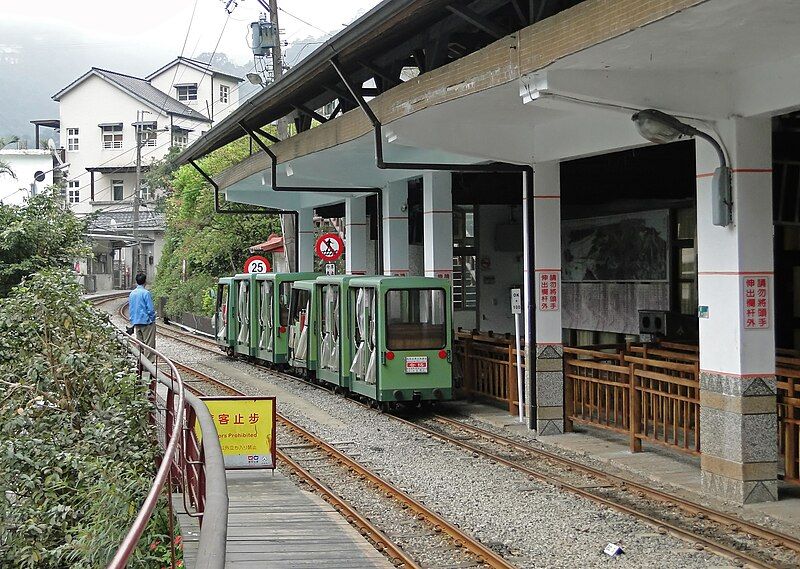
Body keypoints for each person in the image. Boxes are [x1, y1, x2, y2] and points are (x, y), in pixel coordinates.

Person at [129, 272, 156, 352]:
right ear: (145, 281)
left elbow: (131, 307)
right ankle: (148, 363)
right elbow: (150, 310)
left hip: (136, 322)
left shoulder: (132, 293)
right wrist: (152, 319)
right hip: (146, 322)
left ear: (136, 281)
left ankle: (140, 362)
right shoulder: (146, 293)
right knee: (149, 345)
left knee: (139, 343)